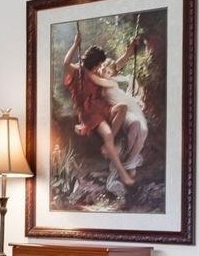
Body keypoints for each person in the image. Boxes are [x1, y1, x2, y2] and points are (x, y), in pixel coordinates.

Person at [62, 33, 149, 189]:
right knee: (107, 135)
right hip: (90, 113)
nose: (100, 67)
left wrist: (130, 50)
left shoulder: (98, 72)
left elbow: (118, 64)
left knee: (122, 107)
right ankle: (122, 173)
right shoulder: (77, 71)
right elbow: (66, 62)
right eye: (98, 65)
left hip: (102, 107)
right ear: (93, 62)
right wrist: (75, 44)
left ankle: (108, 145)